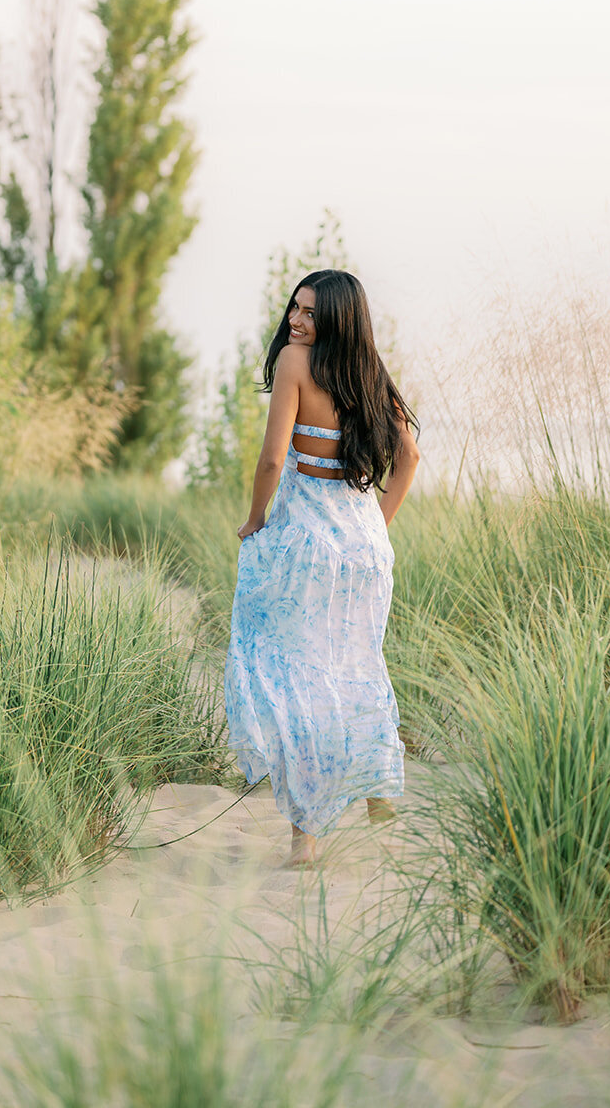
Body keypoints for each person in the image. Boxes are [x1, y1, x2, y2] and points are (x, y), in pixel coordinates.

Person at [224, 270, 420, 868]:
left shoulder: (294, 363)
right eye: (296, 308)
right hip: (363, 545)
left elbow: (273, 457)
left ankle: (305, 841)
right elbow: (409, 455)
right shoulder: (368, 372)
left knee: (299, 677)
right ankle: (381, 801)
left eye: (310, 313)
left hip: (308, 540)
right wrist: (376, 526)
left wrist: (256, 518)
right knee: (359, 671)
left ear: (336, 318)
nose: (296, 321)